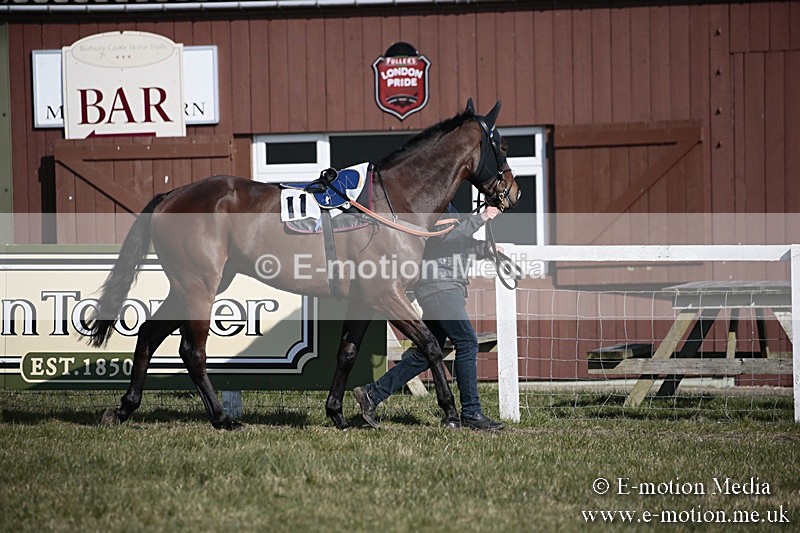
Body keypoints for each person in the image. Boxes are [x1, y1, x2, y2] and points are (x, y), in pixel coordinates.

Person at [353, 203, 505, 431]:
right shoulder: (435, 206)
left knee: (426, 352)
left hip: (443, 285)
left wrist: (485, 249)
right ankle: (472, 412)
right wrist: (480, 218)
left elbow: (455, 244)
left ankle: (372, 394)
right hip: (439, 286)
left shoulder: (449, 207)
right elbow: (445, 238)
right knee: (467, 343)